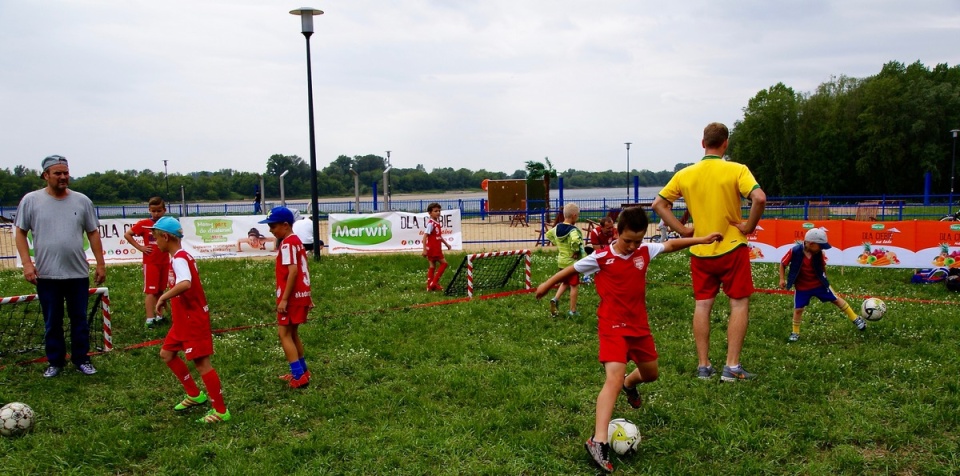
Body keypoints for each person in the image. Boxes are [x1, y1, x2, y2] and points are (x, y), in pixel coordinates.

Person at [535, 207, 722, 473]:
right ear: (617, 233)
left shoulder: (644, 251)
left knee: (651, 373)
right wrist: (546, 285)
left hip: (639, 328)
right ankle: (598, 440)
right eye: (628, 241)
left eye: (638, 240)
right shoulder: (601, 257)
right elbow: (571, 269)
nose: (632, 246)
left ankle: (629, 384)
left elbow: (670, 244)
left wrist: (700, 240)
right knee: (612, 376)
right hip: (611, 325)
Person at [652, 122, 767, 382]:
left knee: (702, 306)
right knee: (738, 304)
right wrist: (748, 226)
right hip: (732, 247)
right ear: (725, 144)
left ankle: (704, 366)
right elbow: (759, 198)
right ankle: (732, 366)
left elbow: (658, 204)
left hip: (700, 249)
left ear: (702, 143)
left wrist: (683, 231)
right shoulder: (737, 169)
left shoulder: (685, 174)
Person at [14, 155, 106, 378]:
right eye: (58, 173)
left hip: (77, 273)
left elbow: (93, 233)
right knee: (52, 322)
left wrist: (101, 264)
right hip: (47, 274)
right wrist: (27, 263)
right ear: (46, 176)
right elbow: (20, 232)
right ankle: (55, 362)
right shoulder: (31, 200)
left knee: (79, 320)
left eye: (66, 172)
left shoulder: (82, 201)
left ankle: (81, 359)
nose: (63, 177)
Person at [149, 216, 231, 424]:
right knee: (167, 354)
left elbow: (185, 283)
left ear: (166, 237)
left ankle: (221, 411)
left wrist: (163, 296)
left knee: (202, 364)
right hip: (182, 320)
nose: (154, 241)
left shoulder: (179, 258)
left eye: (156, 237)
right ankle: (195, 395)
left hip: (192, 319)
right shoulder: (178, 256)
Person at [259, 207, 315, 389]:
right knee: (293, 333)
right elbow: (303, 269)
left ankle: (299, 376)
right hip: (300, 295)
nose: (270, 230)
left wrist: (284, 299)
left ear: (285, 225)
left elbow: (293, 272)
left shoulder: (287, 244)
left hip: (291, 298)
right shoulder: (297, 241)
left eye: (273, 226)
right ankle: (303, 371)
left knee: (283, 334)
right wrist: (308, 294)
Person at [779, 228, 866, 341]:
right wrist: (782, 279)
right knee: (798, 309)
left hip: (819, 284)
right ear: (811, 243)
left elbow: (822, 266)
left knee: (836, 299)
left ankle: (855, 318)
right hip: (802, 287)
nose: (821, 248)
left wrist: (825, 279)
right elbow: (782, 263)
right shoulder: (794, 251)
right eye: (820, 246)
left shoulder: (818, 253)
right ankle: (795, 332)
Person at [123, 196, 170, 329]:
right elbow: (128, 234)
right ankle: (150, 319)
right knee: (151, 291)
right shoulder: (144, 224)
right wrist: (141, 248)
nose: (156, 214)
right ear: (149, 210)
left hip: (165, 261)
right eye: (153, 211)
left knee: (161, 290)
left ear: (164, 210)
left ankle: (160, 315)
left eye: (159, 211)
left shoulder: (167, 224)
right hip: (151, 263)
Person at [545, 203, 586, 317]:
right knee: (574, 286)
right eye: (577, 216)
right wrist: (576, 251)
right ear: (573, 216)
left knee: (565, 282)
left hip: (561, 261)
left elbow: (548, 234)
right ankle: (572, 310)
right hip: (571, 263)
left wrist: (557, 243)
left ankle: (555, 299)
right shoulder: (573, 230)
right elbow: (575, 241)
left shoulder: (557, 227)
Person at [423, 202, 452, 291]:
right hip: (433, 248)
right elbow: (424, 237)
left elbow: (438, 236)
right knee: (444, 263)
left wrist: (446, 244)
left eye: (439, 211)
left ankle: (429, 286)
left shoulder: (436, 223)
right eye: (435, 211)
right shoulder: (431, 224)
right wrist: (424, 249)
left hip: (435, 247)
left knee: (432, 266)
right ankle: (434, 283)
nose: (438, 213)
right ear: (430, 213)